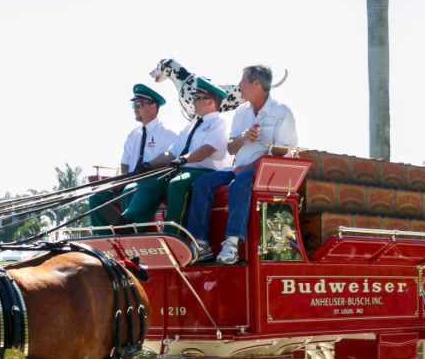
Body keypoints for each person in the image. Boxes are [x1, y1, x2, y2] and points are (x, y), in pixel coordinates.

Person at [186, 65, 298, 264]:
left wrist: (247, 167)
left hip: (268, 172)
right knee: (202, 183)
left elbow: (282, 153)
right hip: (241, 169)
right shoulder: (240, 112)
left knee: (239, 183)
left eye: (243, 81)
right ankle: (200, 244)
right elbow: (230, 148)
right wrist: (244, 137)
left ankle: (232, 243)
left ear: (256, 84)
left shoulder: (282, 112)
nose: (239, 85)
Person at [107, 77, 231, 228]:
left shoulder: (219, 124)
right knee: (150, 181)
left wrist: (183, 160)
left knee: (177, 184)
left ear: (210, 101)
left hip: (205, 171)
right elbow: (171, 153)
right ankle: (128, 222)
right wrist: (148, 165)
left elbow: (207, 149)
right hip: (184, 168)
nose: (192, 102)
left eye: (196, 98)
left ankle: (174, 233)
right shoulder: (190, 127)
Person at [89, 84, 178, 227]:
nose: (135, 108)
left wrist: (147, 167)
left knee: (130, 189)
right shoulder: (133, 135)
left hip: (150, 182)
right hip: (131, 179)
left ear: (153, 107)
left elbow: (167, 160)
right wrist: (121, 180)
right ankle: (103, 236)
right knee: (97, 195)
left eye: (139, 104)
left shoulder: (167, 134)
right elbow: (124, 163)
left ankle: (129, 226)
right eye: (134, 105)